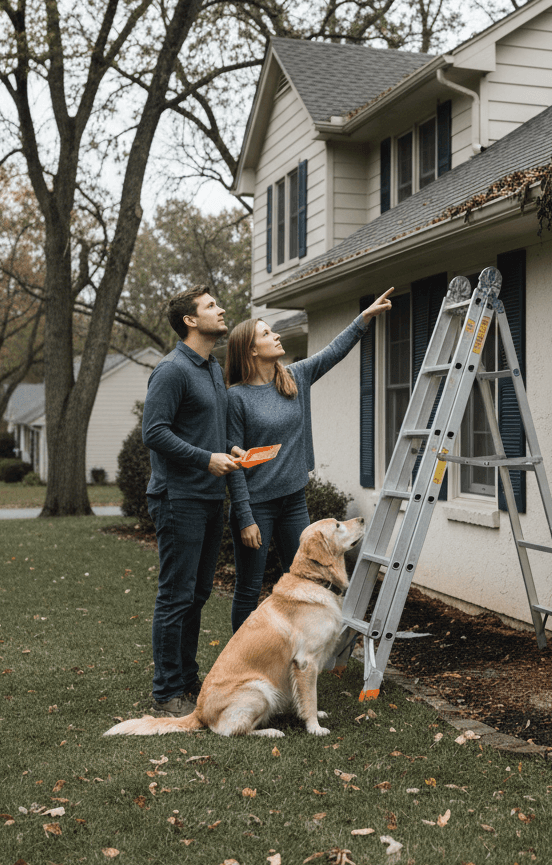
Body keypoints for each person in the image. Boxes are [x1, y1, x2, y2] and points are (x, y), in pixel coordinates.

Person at [225, 289, 394, 632]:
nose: (277, 335)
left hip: (293, 501)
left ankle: (299, 651)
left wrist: (363, 320)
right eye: (267, 333)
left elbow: (332, 352)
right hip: (256, 506)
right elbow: (233, 462)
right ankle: (242, 658)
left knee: (306, 580)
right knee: (248, 587)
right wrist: (244, 517)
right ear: (251, 349)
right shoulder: (236, 398)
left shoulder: (294, 377)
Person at [142, 286, 241, 716]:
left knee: (198, 594)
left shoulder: (211, 368)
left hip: (207, 497)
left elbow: (204, 429)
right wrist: (206, 459)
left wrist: (228, 451)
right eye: (211, 307)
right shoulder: (172, 370)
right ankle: (167, 692)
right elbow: (155, 432)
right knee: (176, 596)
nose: (221, 311)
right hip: (177, 498)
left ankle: (186, 679)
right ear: (189, 320)